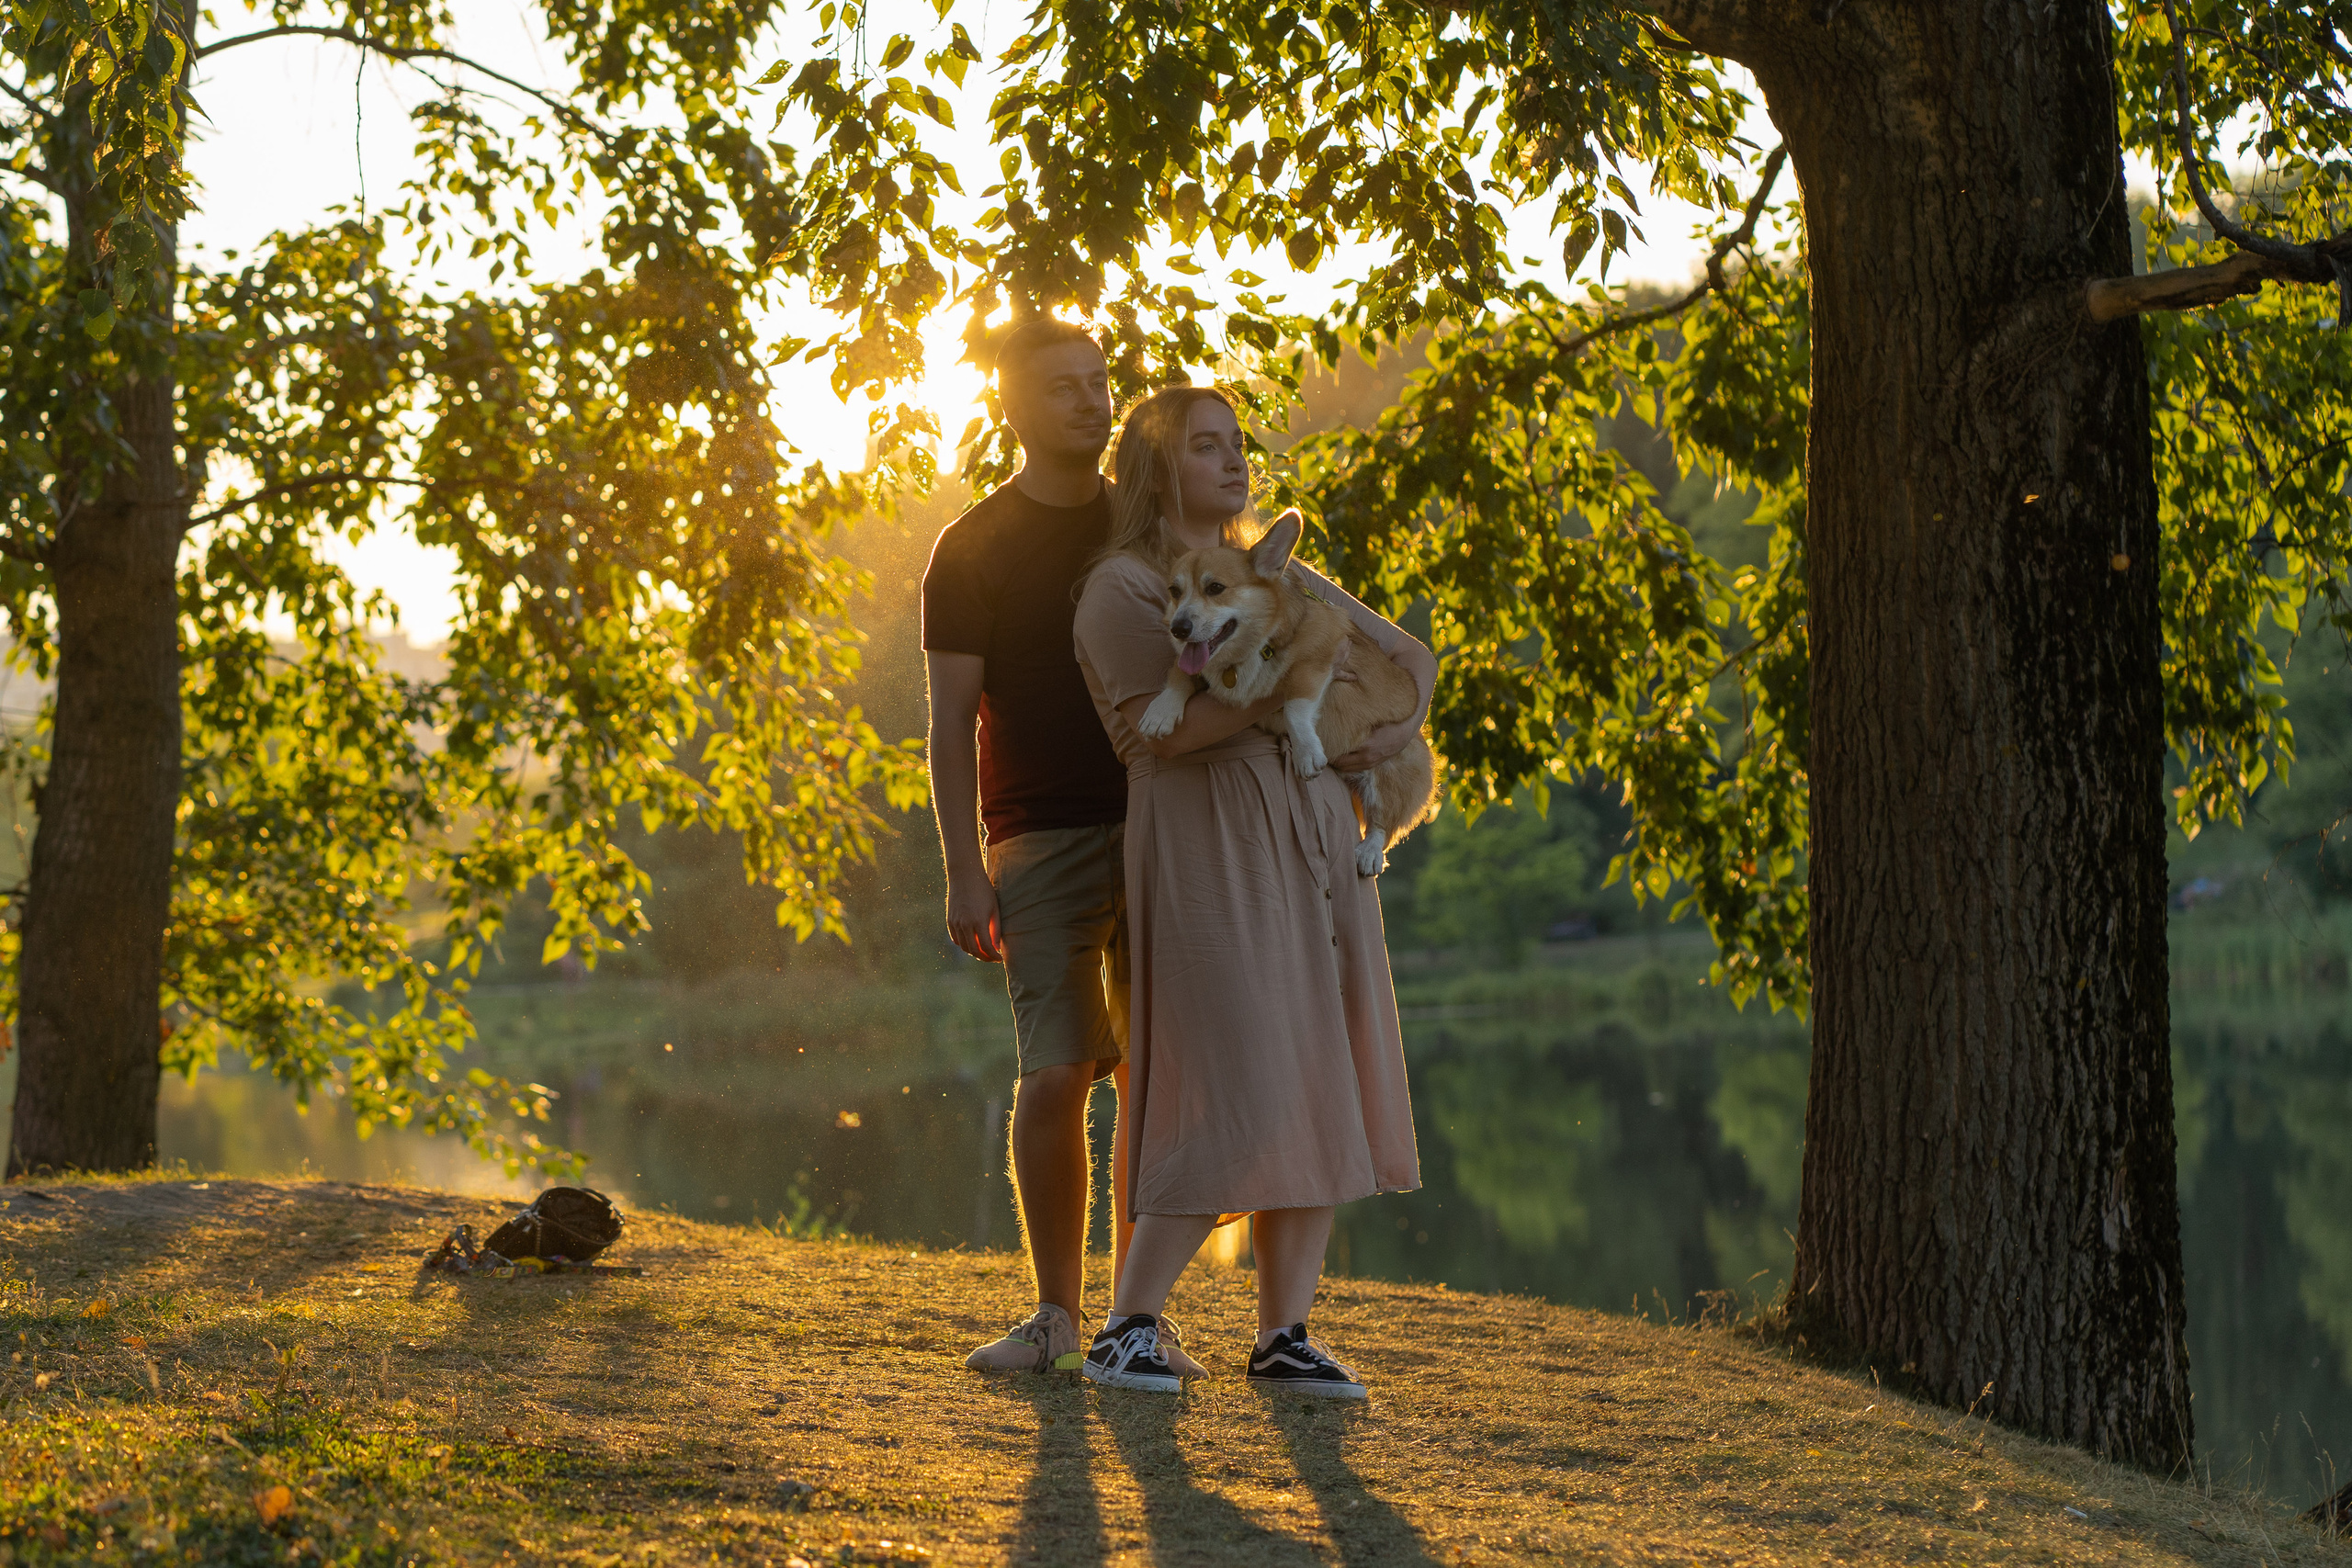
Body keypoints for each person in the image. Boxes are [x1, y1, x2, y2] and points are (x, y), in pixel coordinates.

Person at [1069, 385, 1435, 1397]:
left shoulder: (1272, 569)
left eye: (1236, 443)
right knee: (1232, 1075)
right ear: (1157, 464)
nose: (1233, 461)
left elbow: (1408, 657)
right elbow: (1170, 731)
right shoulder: (1122, 588)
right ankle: (1127, 1327)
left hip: (1314, 836)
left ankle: (1284, 1336)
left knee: (1321, 1070)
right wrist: (1296, 677)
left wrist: (1393, 727)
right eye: (1205, 446)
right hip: (1210, 845)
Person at [922, 321, 1206, 1378]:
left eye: (1099, 383)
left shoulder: (1145, 527)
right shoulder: (971, 548)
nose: (1092, 402)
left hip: (1164, 824)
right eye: (1064, 387)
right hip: (1036, 840)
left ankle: (1136, 1320)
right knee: (1056, 1074)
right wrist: (962, 867)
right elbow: (950, 721)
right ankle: (1054, 1317)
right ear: (1011, 406)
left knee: (1154, 1079)